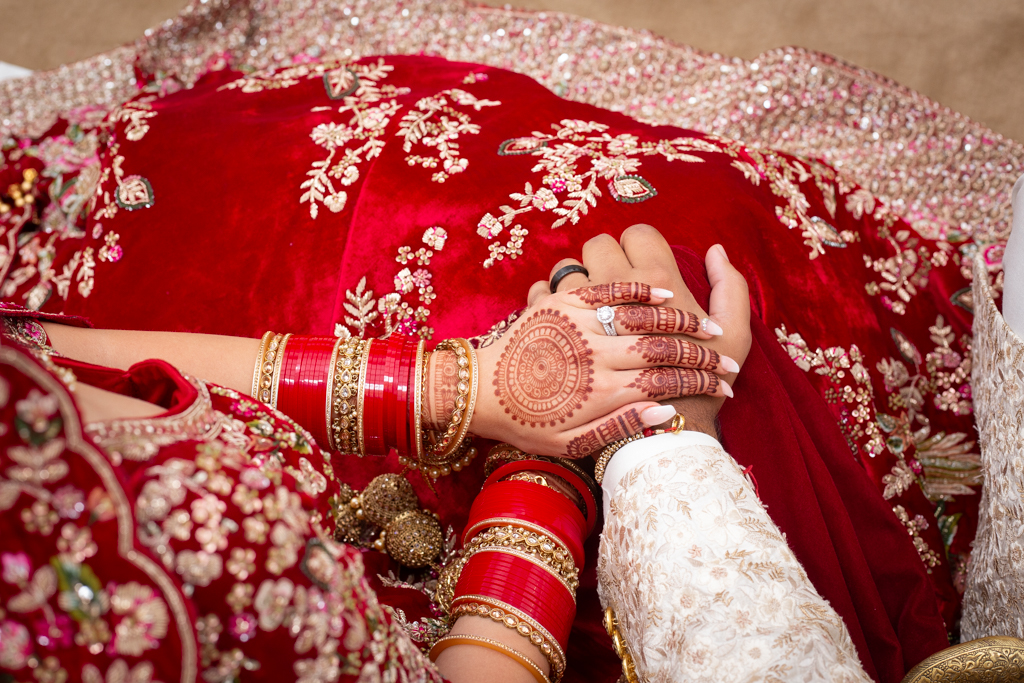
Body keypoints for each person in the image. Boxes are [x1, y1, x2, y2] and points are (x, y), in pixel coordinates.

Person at [1, 0, 1008, 679]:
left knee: (619, 218)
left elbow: (41, 357)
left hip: (237, 375)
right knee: (707, 304)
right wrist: (550, 465)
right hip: (463, 602)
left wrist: (466, 387)